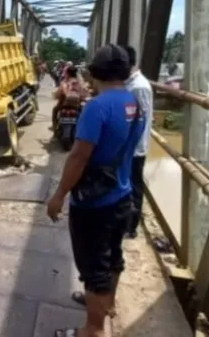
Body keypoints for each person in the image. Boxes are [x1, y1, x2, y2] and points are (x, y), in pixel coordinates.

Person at [46, 44, 145, 337]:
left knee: (94, 268)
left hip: (95, 203)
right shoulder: (133, 103)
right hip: (122, 195)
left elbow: (78, 157)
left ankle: (92, 330)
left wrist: (59, 195)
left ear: (94, 73)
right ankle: (106, 305)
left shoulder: (97, 107)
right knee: (113, 257)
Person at [123, 45, 153, 238]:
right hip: (128, 146)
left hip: (135, 147)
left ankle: (131, 227)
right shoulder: (130, 83)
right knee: (127, 184)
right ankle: (126, 222)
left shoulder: (139, 86)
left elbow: (140, 118)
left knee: (134, 186)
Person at [50, 65, 88, 131]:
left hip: (64, 105)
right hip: (77, 106)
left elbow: (58, 94)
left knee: (55, 110)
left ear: (67, 73)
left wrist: (56, 96)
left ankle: (54, 127)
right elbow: (85, 95)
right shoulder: (81, 83)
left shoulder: (64, 83)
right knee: (85, 115)